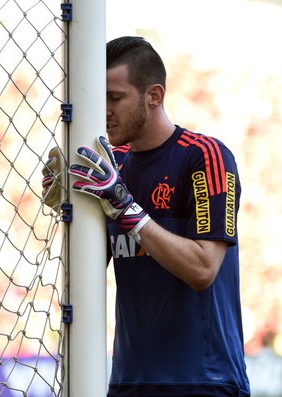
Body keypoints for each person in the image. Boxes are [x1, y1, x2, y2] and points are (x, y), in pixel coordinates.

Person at [42, 36, 251, 397]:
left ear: (154, 96)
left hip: (203, 383)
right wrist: (68, 211)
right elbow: (92, 267)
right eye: (99, 97)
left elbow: (203, 269)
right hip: (128, 384)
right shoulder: (110, 166)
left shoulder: (206, 157)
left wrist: (126, 209)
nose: (104, 110)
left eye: (115, 97)